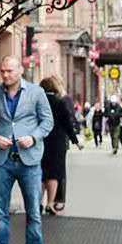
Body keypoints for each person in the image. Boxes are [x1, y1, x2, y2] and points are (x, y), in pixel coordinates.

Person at [0, 55, 54, 244]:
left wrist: (33, 137)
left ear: (20, 70)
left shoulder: (36, 92)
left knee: (34, 212)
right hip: (2, 160)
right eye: (3, 71)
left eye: (9, 71)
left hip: (29, 160)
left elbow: (48, 121)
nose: (5, 74)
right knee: (1, 212)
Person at [39, 76, 82, 215]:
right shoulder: (60, 102)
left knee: (41, 173)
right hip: (57, 142)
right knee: (54, 174)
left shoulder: (38, 102)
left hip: (40, 140)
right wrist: (75, 140)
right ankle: (50, 203)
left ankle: (38, 203)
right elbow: (67, 124)